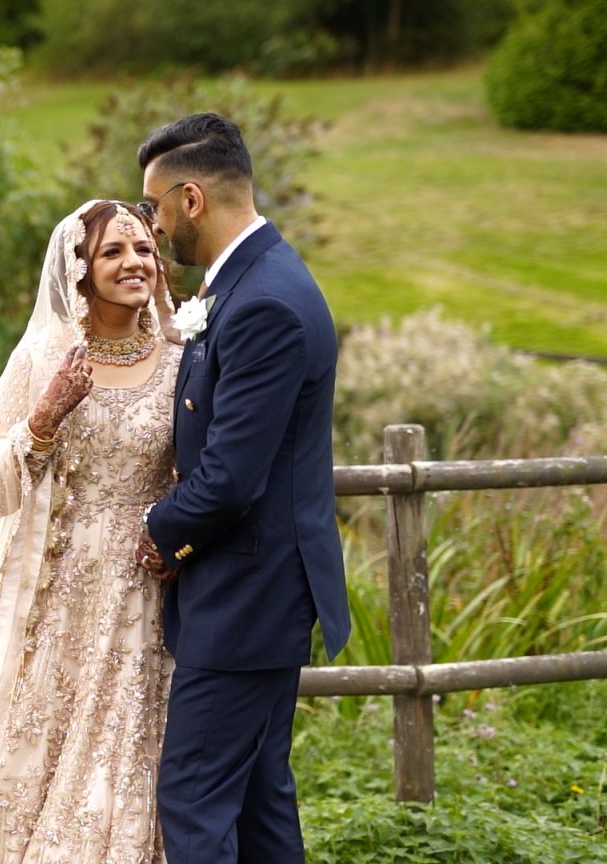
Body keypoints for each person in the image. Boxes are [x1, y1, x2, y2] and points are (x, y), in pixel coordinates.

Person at [0, 200, 183, 864]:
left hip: (145, 598)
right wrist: (44, 419)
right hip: (55, 600)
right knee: (31, 748)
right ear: (78, 269)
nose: (134, 262)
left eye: (143, 248)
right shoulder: (44, 356)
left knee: (125, 749)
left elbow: (205, 470)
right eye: (112, 252)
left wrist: (182, 533)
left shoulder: (183, 360)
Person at [132, 113, 351, 863]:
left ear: (191, 198)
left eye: (155, 208)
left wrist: (158, 530)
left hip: (249, 594)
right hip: (255, 590)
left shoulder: (262, 303)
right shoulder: (255, 282)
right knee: (259, 799)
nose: (155, 229)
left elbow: (229, 479)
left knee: (192, 797)